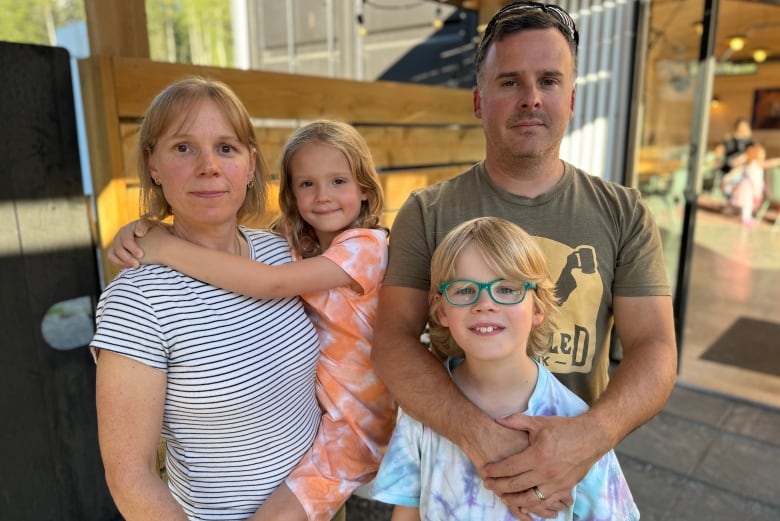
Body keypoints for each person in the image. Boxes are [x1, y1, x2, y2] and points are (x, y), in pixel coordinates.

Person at [371, 3, 678, 519]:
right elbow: (392, 341)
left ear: (572, 99)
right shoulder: (429, 211)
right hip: (453, 464)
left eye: (549, 81)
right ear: (478, 100)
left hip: (572, 483)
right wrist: (477, 434)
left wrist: (586, 439)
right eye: (509, 81)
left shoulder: (623, 212)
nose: (531, 97)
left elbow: (655, 348)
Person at [107, 120, 397, 521]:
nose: (323, 196)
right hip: (331, 422)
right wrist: (153, 228)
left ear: (365, 188)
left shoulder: (366, 248)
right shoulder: (297, 245)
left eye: (338, 181)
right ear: (292, 195)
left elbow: (270, 282)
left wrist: (164, 248)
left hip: (356, 425)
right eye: (307, 184)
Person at [92, 77, 322, 521]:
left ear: (251, 163)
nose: (208, 166)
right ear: (152, 163)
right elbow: (129, 475)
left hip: (321, 502)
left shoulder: (283, 253)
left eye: (226, 148)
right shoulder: (136, 300)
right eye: (183, 147)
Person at [367, 216, 639, 520]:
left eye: (508, 289)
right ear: (441, 310)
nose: (485, 303)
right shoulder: (421, 411)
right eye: (465, 289)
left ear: (538, 308)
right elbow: (408, 512)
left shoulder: (572, 422)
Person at [721, 142, 780, 226]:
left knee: (749, 203)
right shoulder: (754, 163)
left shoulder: (754, 163)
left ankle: (745, 216)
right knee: (747, 203)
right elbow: (737, 167)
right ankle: (745, 218)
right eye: (762, 154)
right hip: (749, 187)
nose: (763, 155)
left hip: (753, 186)